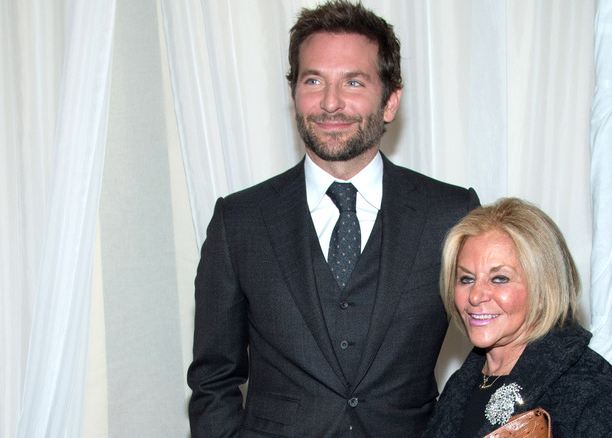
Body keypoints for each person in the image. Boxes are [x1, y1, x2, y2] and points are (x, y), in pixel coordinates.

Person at [187, 1, 480, 436]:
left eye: (354, 82)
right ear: (293, 96)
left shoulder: (450, 213)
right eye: (313, 80)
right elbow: (214, 378)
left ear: (390, 101)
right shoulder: (239, 220)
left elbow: (504, 343)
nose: (330, 102)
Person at [423, 198, 612, 437]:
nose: (476, 295)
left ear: (544, 290)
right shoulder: (461, 384)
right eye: (466, 279)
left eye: (500, 278)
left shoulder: (594, 393)